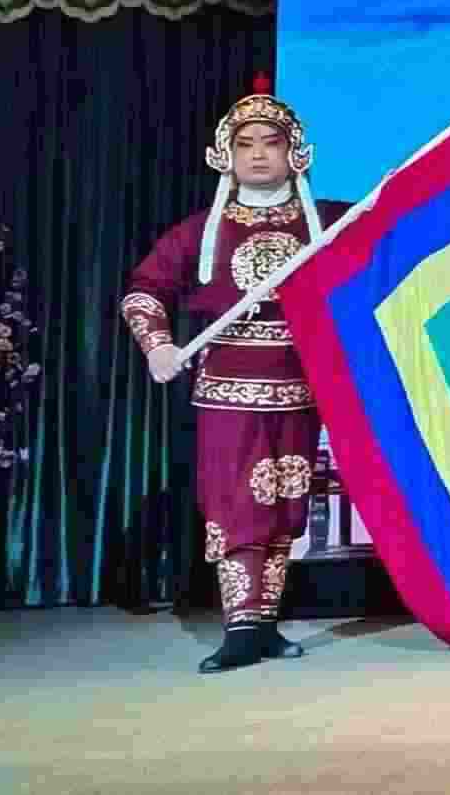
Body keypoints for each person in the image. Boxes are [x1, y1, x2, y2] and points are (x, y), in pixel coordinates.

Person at [121, 81, 354, 672]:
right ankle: (241, 627)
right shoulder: (201, 231)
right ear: (224, 155)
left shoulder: (329, 223)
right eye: (245, 143)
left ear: (294, 153)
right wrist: (158, 345)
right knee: (238, 506)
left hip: (302, 388)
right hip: (228, 390)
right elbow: (143, 291)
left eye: (270, 143)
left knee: (286, 506)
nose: (257, 154)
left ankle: (264, 624)